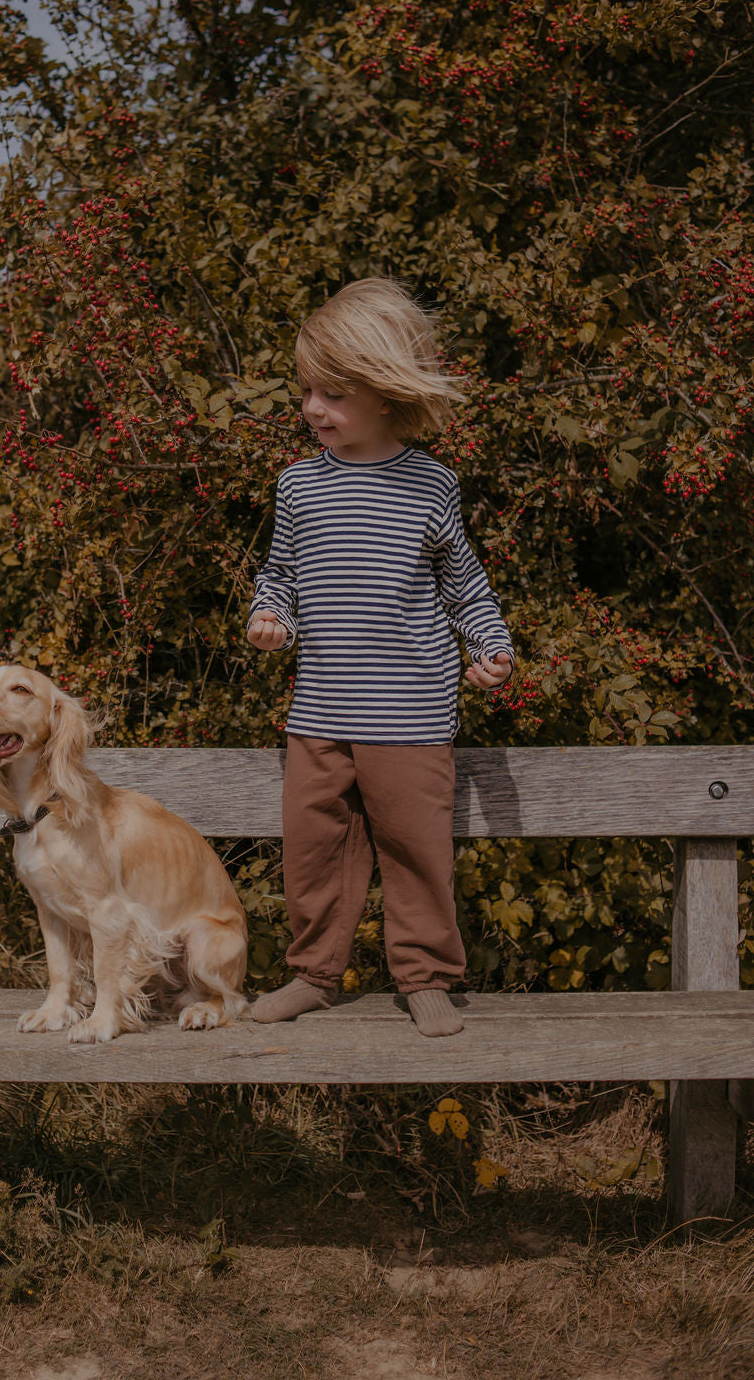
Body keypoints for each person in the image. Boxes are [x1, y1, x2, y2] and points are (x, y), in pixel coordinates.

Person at [246, 278, 514, 1037]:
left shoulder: (430, 484)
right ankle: (313, 974)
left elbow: (464, 584)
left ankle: (425, 977)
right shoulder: (298, 486)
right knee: (313, 848)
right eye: (307, 390)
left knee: (416, 847)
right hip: (322, 711)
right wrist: (270, 615)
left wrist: (492, 645)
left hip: (412, 710)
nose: (311, 408)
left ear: (387, 396)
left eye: (333, 394)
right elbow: (282, 573)